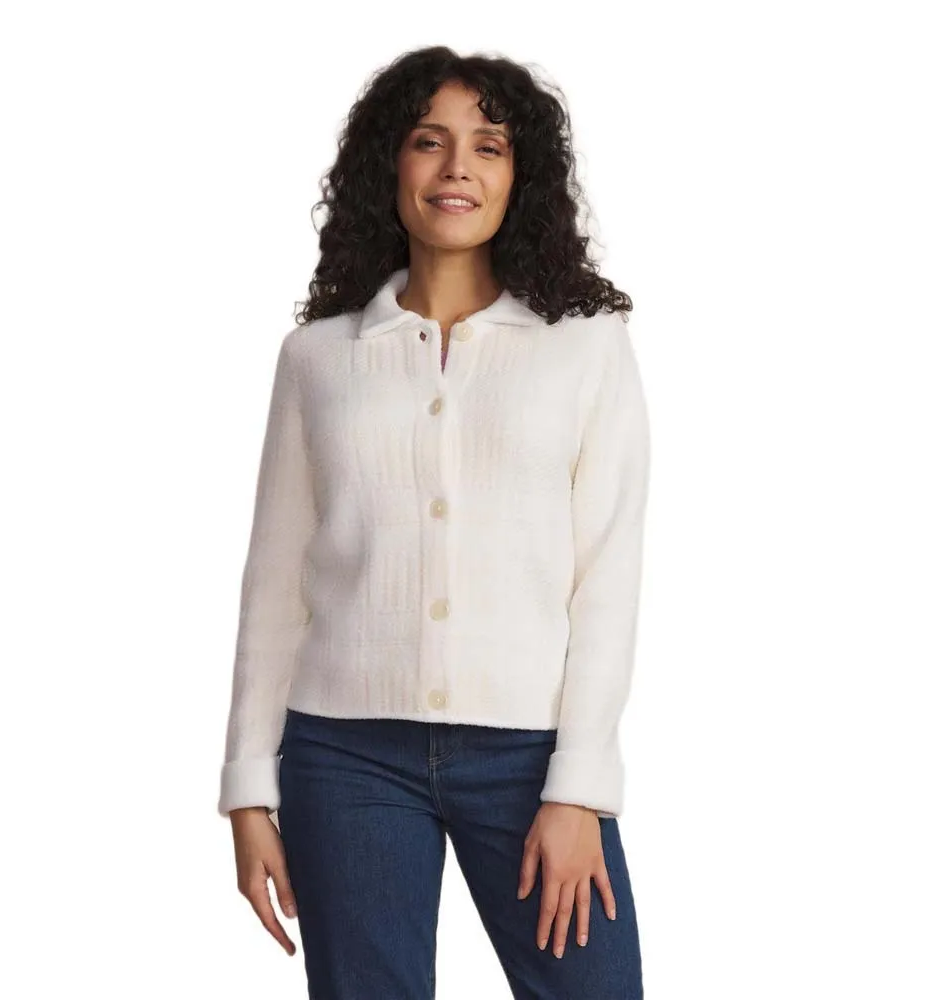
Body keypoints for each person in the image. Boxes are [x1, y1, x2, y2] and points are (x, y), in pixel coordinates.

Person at [217, 45, 651, 1000]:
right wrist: (248, 787)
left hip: (530, 754)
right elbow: (276, 580)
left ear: (520, 177)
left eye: (489, 146)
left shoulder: (584, 348)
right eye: (429, 141)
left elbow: (607, 577)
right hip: (344, 755)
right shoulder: (318, 357)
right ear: (391, 164)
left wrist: (579, 785)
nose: (458, 167)